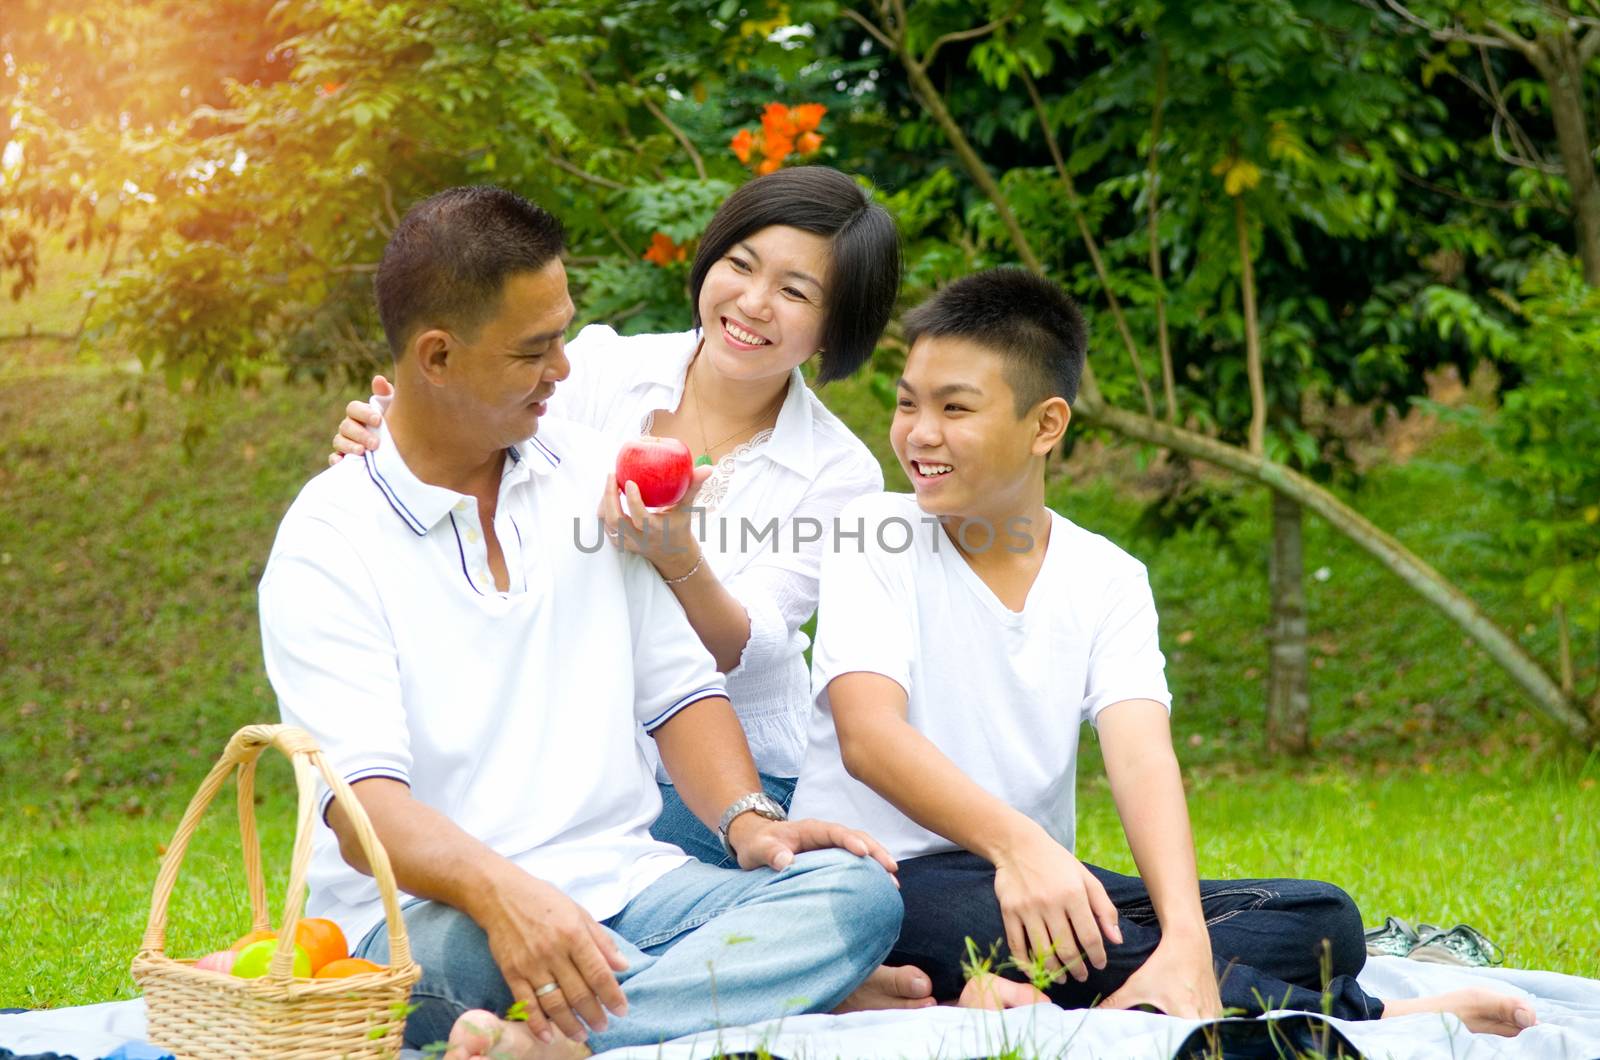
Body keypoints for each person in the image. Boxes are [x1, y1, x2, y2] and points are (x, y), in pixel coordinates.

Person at [787, 267, 1539, 1035]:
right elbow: (870, 739)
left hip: (1043, 888)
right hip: (889, 879)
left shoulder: (1106, 576)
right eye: (908, 402)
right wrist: (1020, 848)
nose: (919, 433)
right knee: (940, 919)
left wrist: (1183, 936)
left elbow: (1142, 758)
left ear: (1046, 425)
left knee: (1324, 919)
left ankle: (1119, 996)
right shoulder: (871, 534)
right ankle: (1379, 1014)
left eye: (955, 408)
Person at [259, 185, 907, 1060]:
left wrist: (754, 825)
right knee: (466, 958)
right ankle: (764, 996)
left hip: (626, 882)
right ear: (438, 358)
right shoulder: (329, 539)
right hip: (434, 919)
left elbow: (682, 691)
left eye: (563, 336)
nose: (566, 370)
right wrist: (507, 898)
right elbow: (364, 807)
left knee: (852, 896)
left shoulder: (597, 475)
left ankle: (561, 1037)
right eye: (537, 349)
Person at [329, 166, 899, 870]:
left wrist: (675, 553)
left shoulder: (839, 473)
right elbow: (470, 459)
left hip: (719, 778)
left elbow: (732, 649)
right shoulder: (594, 369)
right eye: (740, 265)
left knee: (597, 884)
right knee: (494, 865)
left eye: (794, 292)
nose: (753, 303)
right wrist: (389, 444)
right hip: (561, 752)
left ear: (834, 331)